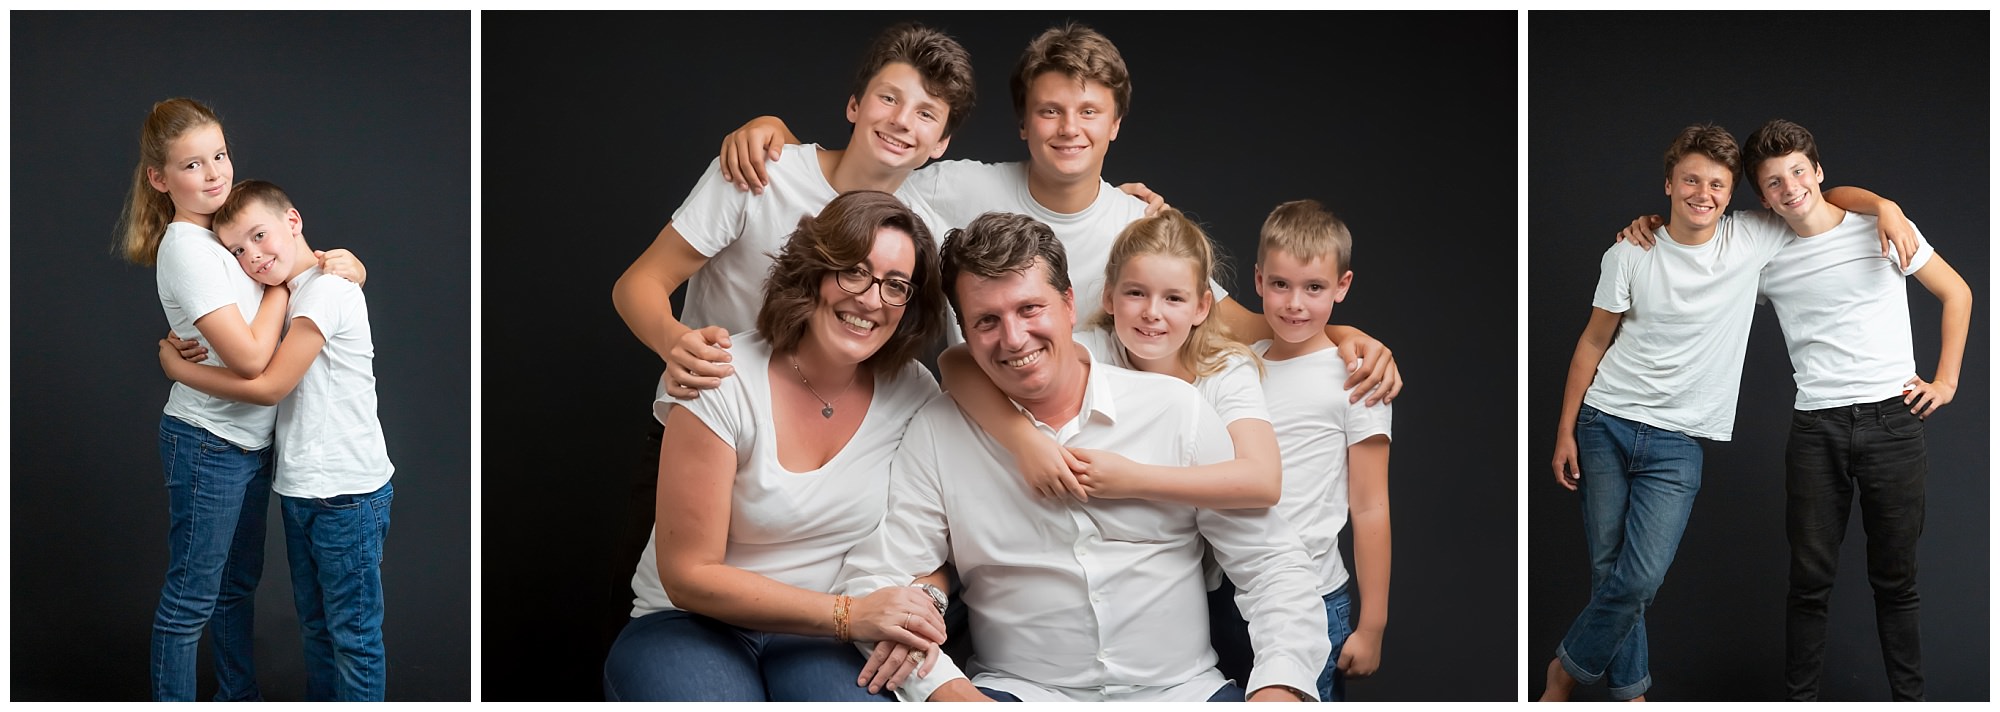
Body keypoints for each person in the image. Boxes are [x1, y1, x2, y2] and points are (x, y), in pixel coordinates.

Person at [714, 22, 1403, 410]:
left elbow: (1244, 326)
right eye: (1049, 111)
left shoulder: (1136, 223)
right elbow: (862, 175)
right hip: (969, 423)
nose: (1068, 129)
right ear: (1022, 124)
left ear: (1115, 125)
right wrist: (773, 128)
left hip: (1089, 438)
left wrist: (1343, 334)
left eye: (1088, 113)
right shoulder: (955, 189)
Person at [833, 211, 1329, 702]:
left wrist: (1280, 689)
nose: (1013, 338)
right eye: (987, 320)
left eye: (1030, 309)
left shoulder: (1176, 409)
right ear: (963, 331)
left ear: (1069, 304)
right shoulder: (938, 432)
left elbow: (1273, 565)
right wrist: (951, 692)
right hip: (1018, 694)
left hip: (1182, 693)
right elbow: (878, 578)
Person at [599, 190, 955, 701]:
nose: (871, 300)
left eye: (896, 285)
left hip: (826, 639)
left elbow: (934, 537)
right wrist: (851, 615)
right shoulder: (720, 375)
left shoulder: (915, 391)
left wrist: (926, 598)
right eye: (854, 271)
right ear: (814, 270)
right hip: (690, 624)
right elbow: (688, 576)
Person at [118, 97, 366, 702]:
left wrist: (344, 268)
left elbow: (283, 263)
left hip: (252, 444)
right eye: (192, 165)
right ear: (159, 179)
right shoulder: (187, 247)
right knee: (191, 601)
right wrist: (282, 280)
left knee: (235, 591)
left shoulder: (221, 239)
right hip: (208, 444)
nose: (213, 173)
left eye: (220, 155)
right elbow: (255, 359)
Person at [1543, 124, 1797, 702]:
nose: (1701, 193)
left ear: (1731, 195)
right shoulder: (1629, 252)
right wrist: (1565, 431)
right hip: (1604, 423)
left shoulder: (1750, 239)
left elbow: (1826, 202)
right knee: (1609, 572)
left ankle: (1564, 671)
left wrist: (1884, 207)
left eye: (1716, 184)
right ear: (1668, 183)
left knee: (1638, 579)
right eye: (1690, 179)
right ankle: (1630, 694)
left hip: (1678, 443)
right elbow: (1591, 343)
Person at [1738, 120, 1969, 701]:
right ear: (1761, 196)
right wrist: (1644, 228)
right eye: (1773, 182)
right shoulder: (1764, 253)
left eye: (1798, 172)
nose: (1790, 188)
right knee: (1809, 583)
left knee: (1896, 581)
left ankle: (1909, 701)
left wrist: (1945, 381)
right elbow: (1694, 236)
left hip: (1894, 422)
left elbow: (1957, 293)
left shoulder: (1878, 227)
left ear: (1818, 172)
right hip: (1816, 427)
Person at [155, 180, 396, 700]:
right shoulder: (289, 292)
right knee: (316, 629)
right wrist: (182, 337)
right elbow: (237, 328)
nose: (254, 257)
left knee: (353, 639)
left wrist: (175, 368)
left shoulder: (326, 291)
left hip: (346, 491)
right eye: (238, 250)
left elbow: (267, 388)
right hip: (302, 487)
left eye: (260, 237)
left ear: (294, 221)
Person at [1241, 200, 1393, 702]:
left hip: (1313, 593)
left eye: (1314, 288)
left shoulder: (1356, 377)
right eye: (1281, 284)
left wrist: (1372, 625)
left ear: (1342, 287)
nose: (1294, 304)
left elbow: (1370, 505)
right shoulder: (1239, 365)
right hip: (1236, 588)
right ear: (1259, 280)